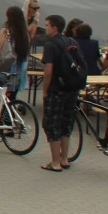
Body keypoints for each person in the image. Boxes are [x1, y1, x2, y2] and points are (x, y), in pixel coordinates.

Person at [40, 15, 81, 172]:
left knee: (52, 124)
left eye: (47, 25)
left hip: (57, 89)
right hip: (72, 88)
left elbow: (48, 70)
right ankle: (64, 159)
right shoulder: (72, 41)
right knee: (66, 123)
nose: (46, 28)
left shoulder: (50, 45)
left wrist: (45, 90)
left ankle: (55, 162)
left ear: (54, 28)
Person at [0, 5, 32, 97]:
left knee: (0, 94)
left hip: (6, 67)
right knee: (12, 94)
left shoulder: (5, 32)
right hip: (20, 69)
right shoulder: (25, 34)